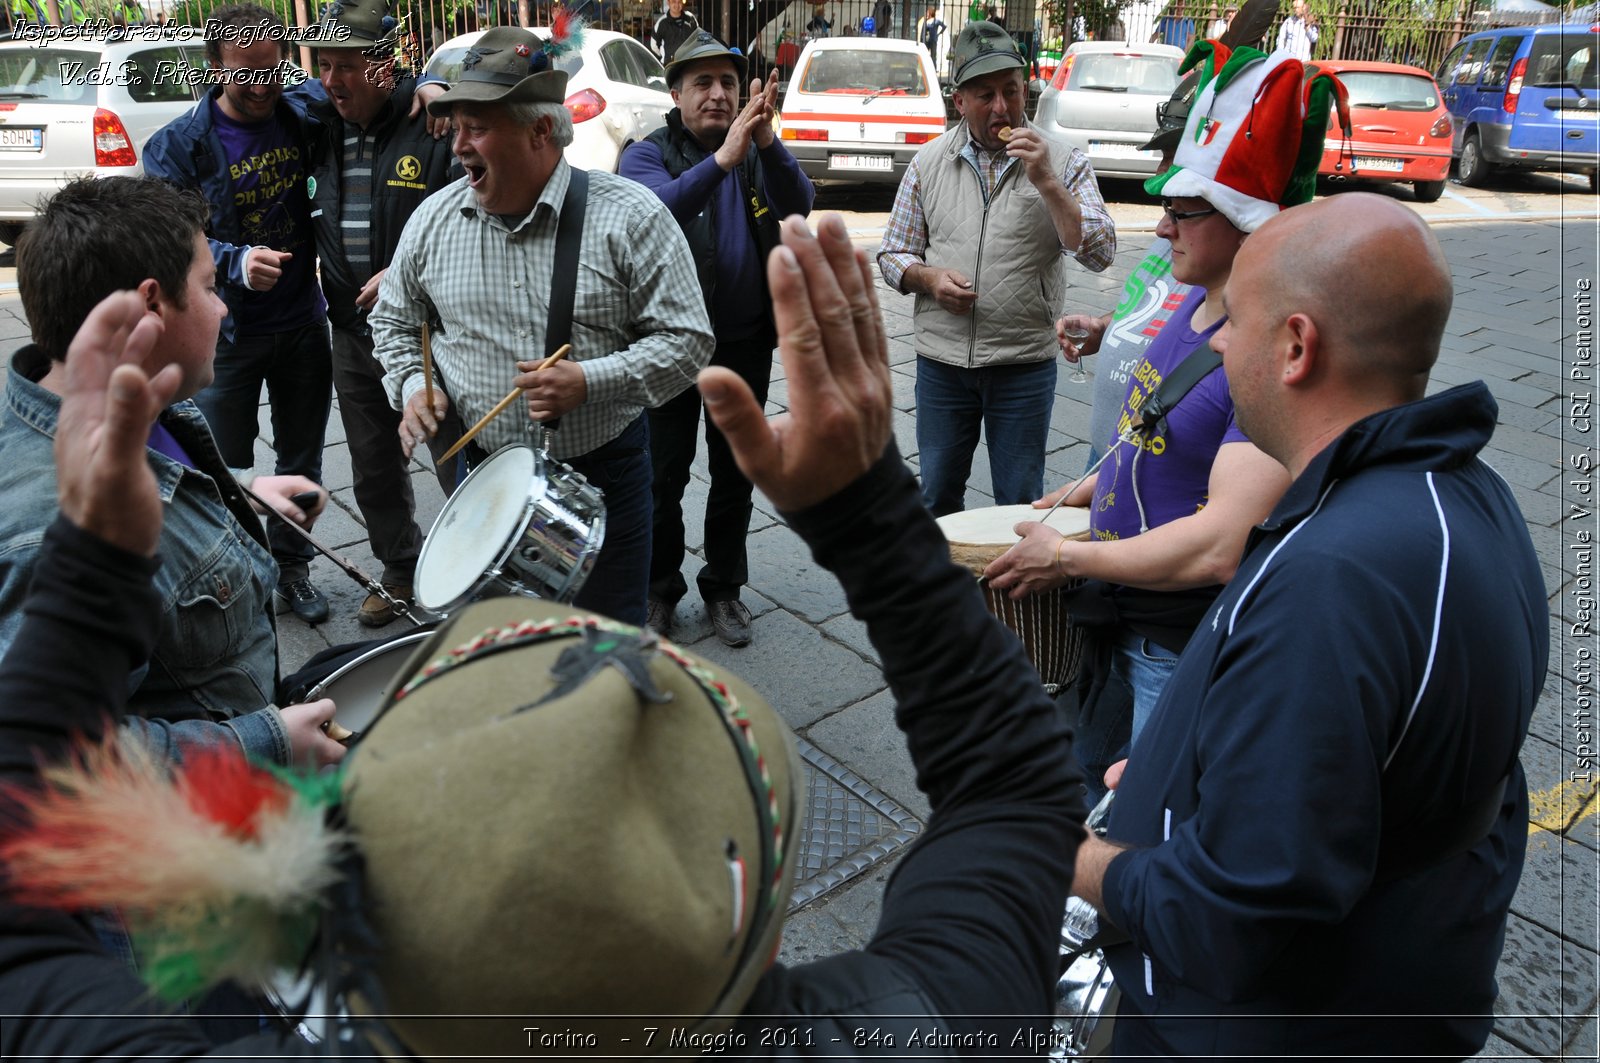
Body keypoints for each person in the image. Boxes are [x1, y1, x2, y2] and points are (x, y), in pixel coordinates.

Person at [0, 214, 1086, 1060]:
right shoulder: (922, 1020)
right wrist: (867, 514)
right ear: (748, 919)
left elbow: (18, 896)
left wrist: (94, 576)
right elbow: (1016, 790)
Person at [1069, 191, 1546, 1058]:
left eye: (1235, 321)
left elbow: (1228, 915)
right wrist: (1198, 760)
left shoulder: (1333, 578)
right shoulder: (1467, 493)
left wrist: (1069, 854)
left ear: (1295, 346)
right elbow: (1408, 762)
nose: (1215, 342)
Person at [986, 44, 1346, 788]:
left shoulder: (1268, 357)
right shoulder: (1192, 297)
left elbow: (1219, 545)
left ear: (1248, 224)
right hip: (1119, 613)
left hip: (1174, 641)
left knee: (1147, 815)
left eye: (1181, 212)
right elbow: (1152, 434)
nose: (1160, 229)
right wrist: (1074, 497)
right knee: (1089, 774)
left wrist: (1064, 556)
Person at [371, 25, 713, 628]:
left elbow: (688, 342)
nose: (457, 148)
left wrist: (592, 379)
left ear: (539, 131)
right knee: (506, 653)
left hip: (602, 470)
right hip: (481, 475)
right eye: (456, 128)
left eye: (477, 128)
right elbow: (395, 318)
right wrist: (412, 387)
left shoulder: (631, 216)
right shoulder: (431, 221)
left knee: (607, 647)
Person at [0, 176, 346, 771]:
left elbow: (167, 479)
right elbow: (58, 766)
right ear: (152, 305)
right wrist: (266, 744)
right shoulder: (43, 533)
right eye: (211, 287)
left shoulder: (131, 398)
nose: (222, 306)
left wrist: (239, 492)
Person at [620, 33, 814, 647]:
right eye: (702, 83)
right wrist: (723, 159)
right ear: (675, 95)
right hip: (667, 346)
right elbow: (651, 209)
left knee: (736, 474)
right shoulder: (646, 154)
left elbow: (799, 204)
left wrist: (765, 144)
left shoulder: (755, 151)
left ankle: (725, 590)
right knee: (662, 475)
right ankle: (657, 590)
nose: (718, 93)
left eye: (728, 83)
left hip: (743, 342)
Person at [144, 3, 335, 625]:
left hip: (303, 322)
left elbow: (362, 90)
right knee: (219, 469)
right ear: (215, 66)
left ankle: (294, 569)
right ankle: (230, 577)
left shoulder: (302, 110)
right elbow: (172, 236)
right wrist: (234, 260)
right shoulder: (176, 146)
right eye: (246, 72)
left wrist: (432, 89)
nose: (262, 85)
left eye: (271, 69)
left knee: (302, 459)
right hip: (225, 334)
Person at [877, 20, 1114, 516]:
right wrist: (929, 278)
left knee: (1020, 500)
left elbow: (1099, 251)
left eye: (1012, 90)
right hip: (942, 363)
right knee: (938, 493)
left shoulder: (1064, 161)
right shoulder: (927, 162)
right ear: (959, 101)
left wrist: (1047, 181)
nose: (1003, 108)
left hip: (1023, 364)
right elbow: (893, 254)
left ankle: (1015, 597)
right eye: (986, 95)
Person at [307, 0, 457, 627]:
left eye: (347, 66)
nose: (334, 81)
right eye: (325, 66)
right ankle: (399, 570)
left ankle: (480, 568)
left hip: (433, 332)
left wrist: (403, 272)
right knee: (372, 464)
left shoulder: (435, 125)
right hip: (349, 327)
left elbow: (470, 213)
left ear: (386, 66)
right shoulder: (314, 122)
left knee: (458, 456)